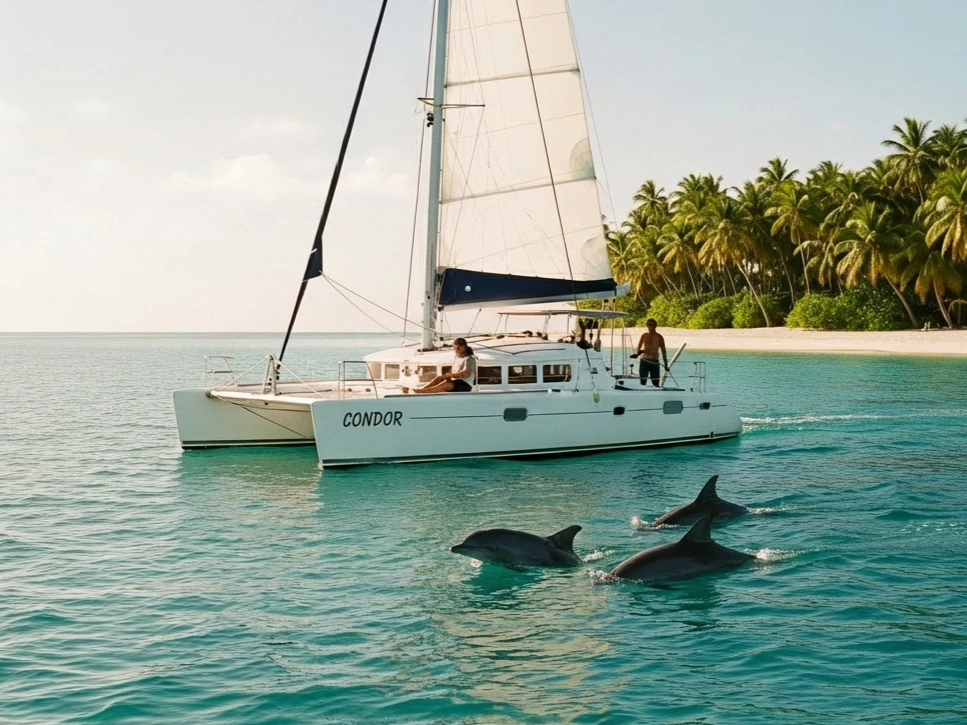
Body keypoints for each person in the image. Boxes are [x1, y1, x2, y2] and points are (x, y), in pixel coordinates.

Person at [402, 337, 476, 394]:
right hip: (456, 381)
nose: (456, 350)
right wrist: (448, 376)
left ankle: (421, 391)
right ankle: (422, 389)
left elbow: (466, 373)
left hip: (465, 385)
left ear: (463, 347)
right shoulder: (456, 357)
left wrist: (451, 375)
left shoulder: (469, 359)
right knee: (439, 378)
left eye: (457, 348)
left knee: (446, 385)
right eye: (455, 348)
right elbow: (455, 371)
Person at [632, 318, 668, 387]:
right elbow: (638, 347)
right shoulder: (644, 335)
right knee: (642, 382)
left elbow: (663, 351)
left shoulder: (659, 337)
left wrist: (666, 365)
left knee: (655, 382)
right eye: (648, 325)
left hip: (654, 361)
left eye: (651, 325)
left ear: (655, 326)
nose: (650, 326)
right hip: (644, 361)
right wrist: (637, 354)